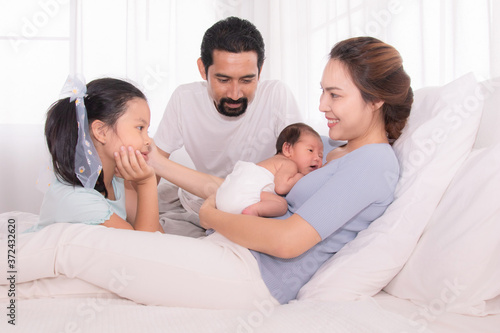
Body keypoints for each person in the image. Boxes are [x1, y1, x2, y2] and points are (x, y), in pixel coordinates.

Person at [11, 37, 412, 309]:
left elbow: (290, 242)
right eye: (322, 90)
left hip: (252, 278)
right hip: (230, 251)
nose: (322, 104)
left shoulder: (373, 163)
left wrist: (210, 215)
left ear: (375, 100)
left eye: (335, 95)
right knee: (98, 277)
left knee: (70, 242)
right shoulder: (329, 150)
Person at [153, 16, 302, 237]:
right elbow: (153, 163)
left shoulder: (277, 95)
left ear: (260, 70)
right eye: (223, 80)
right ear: (203, 69)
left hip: (258, 204)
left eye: (246, 80)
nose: (235, 94)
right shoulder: (184, 98)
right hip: (203, 202)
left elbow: (302, 161)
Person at [34, 76, 163, 233]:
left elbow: (157, 235)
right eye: (140, 128)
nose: (148, 140)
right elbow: (146, 246)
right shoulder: (77, 200)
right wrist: (146, 183)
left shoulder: (116, 181)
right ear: (101, 132)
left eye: (147, 130)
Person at [216, 122, 323, 217]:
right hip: (245, 193)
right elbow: (281, 187)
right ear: (287, 149)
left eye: (320, 155)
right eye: (310, 150)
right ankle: (254, 211)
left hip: (223, 197)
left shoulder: (271, 162)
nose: (317, 158)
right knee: (281, 205)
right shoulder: (288, 164)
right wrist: (301, 176)